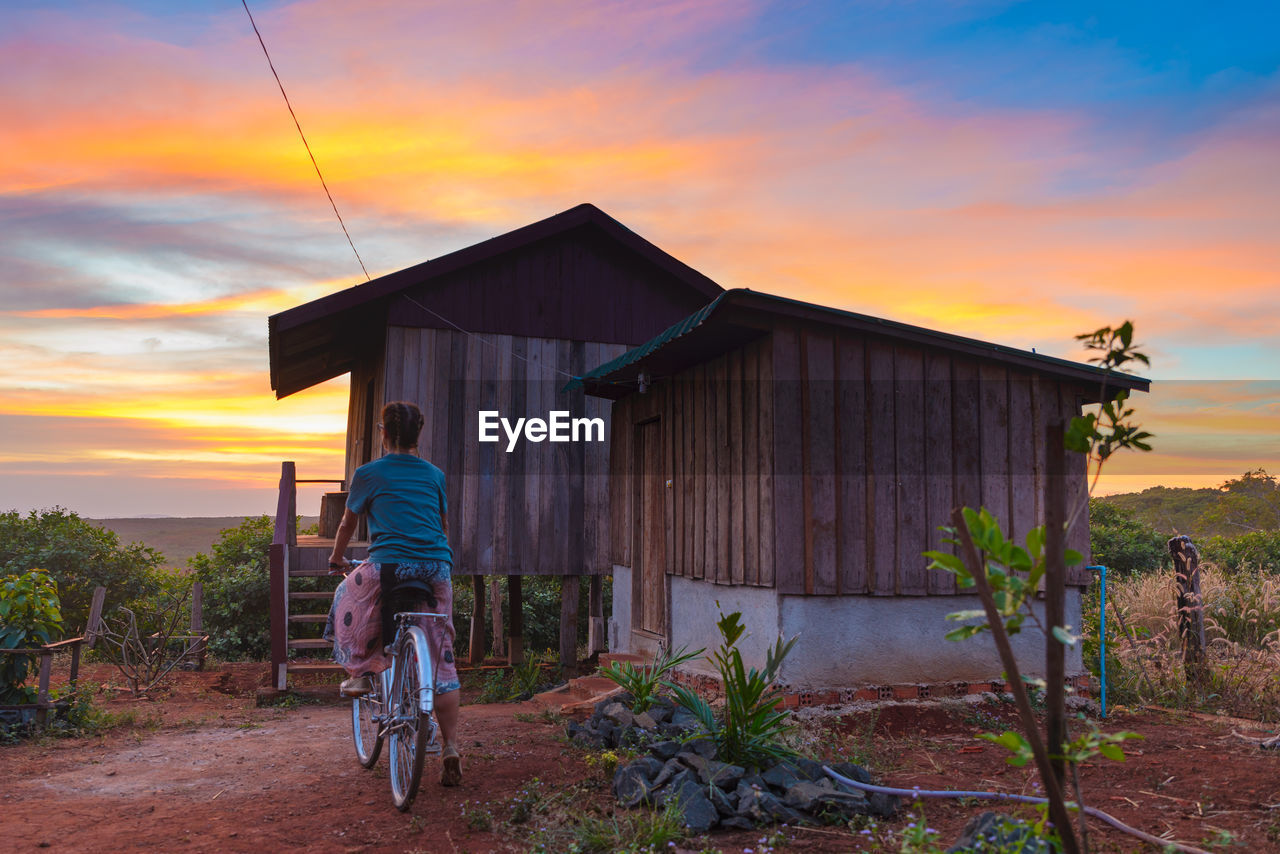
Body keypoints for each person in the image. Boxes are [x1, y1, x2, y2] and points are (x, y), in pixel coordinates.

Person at [325, 400, 462, 787]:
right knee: (442, 655)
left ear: (383, 433)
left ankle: (360, 671)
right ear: (419, 434)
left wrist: (337, 559)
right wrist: (437, 563)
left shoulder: (368, 473)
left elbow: (348, 523)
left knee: (347, 598)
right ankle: (450, 746)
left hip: (389, 566)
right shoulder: (434, 474)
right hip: (436, 567)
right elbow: (442, 524)